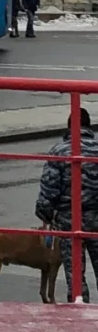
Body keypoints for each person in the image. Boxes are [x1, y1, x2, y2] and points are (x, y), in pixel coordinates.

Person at [35, 107, 98, 302]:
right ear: (89, 126)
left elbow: (49, 189)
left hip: (68, 220)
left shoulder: (59, 151)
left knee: (75, 275)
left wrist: (44, 214)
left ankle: (81, 308)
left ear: (69, 127)